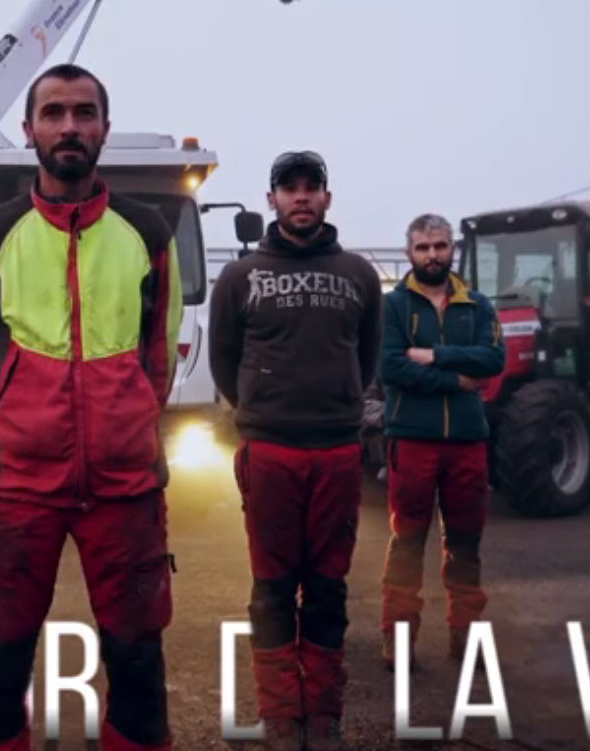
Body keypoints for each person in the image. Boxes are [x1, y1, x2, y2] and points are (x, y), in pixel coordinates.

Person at [0, 63, 182, 751]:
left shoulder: (149, 233)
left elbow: (159, 356)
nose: (70, 126)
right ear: (29, 130)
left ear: (105, 128)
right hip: (19, 485)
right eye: (54, 113)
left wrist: (124, 417)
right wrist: (24, 420)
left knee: (139, 665)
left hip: (127, 485)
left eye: (84, 113)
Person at [206, 150, 382, 751]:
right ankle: (282, 716)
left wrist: (338, 406)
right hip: (271, 451)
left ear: (327, 199)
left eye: (312, 188)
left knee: (328, 586)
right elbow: (224, 360)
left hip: (335, 452)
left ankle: (324, 713)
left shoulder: (358, 274)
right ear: (271, 200)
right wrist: (260, 410)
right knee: (274, 586)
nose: (301, 197)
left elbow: (368, 356)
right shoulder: (240, 277)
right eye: (290, 188)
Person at [377, 213, 504, 670]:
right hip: (412, 440)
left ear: (452, 250)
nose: (433, 255)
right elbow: (391, 368)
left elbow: (493, 358)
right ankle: (398, 636)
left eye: (440, 246)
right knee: (407, 540)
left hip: (468, 442)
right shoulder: (393, 307)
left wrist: (434, 356)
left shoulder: (479, 305)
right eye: (423, 247)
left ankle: (465, 635)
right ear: (409, 253)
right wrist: (458, 380)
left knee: (466, 543)